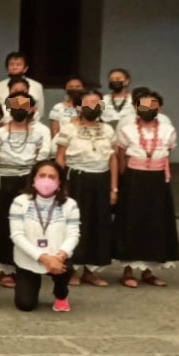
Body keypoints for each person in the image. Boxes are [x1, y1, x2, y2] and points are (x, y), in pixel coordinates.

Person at [114, 91, 179, 288]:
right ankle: (127, 270)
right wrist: (124, 181)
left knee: (155, 222)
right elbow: (121, 156)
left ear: (159, 108)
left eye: (152, 105)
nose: (148, 109)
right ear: (135, 108)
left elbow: (168, 152)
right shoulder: (127, 130)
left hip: (157, 180)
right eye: (143, 105)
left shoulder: (168, 130)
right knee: (132, 221)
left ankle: (149, 271)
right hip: (134, 178)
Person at [0, 92, 52, 289]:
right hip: (4, 180)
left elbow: (40, 159)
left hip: (27, 181)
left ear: (31, 109)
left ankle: (26, 267)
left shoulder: (38, 133)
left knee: (28, 224)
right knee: (3, 225)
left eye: (23, 106)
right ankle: (4, 269)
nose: (19, 109)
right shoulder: (0, 133)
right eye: (14, 105)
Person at [54, 90, 118, 288]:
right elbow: (60, 158)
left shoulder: (108, 129)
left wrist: (113, 188)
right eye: (88, 103)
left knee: (98, 224)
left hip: (101, 180)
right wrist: (61, 185)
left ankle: (91, 271)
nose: (93, 106)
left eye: (97, 103)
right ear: (79, 107)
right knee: (76, 224)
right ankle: (72, 269)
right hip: (77, 180)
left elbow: (113, 159)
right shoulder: (68, 129)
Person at [9, 160, 79, 312]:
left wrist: (60, 256)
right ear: (34, 178)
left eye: (52, 177)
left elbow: (73, 234)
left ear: (59, 181)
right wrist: (42, 257)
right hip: (29, 258)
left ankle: (60, 293)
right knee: (25, 304)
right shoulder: (19, 202)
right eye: (42, 175)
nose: (46, 180)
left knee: (66, 268)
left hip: (58, 257)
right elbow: (17, 235)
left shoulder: (70, 204)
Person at [0, 52, 46, 121]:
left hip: (30, 124)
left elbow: (40, 111)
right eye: (11, 64)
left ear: (25, 68)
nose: (15, 67)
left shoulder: (36, 86)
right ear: (7, 68)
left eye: (18, 64)